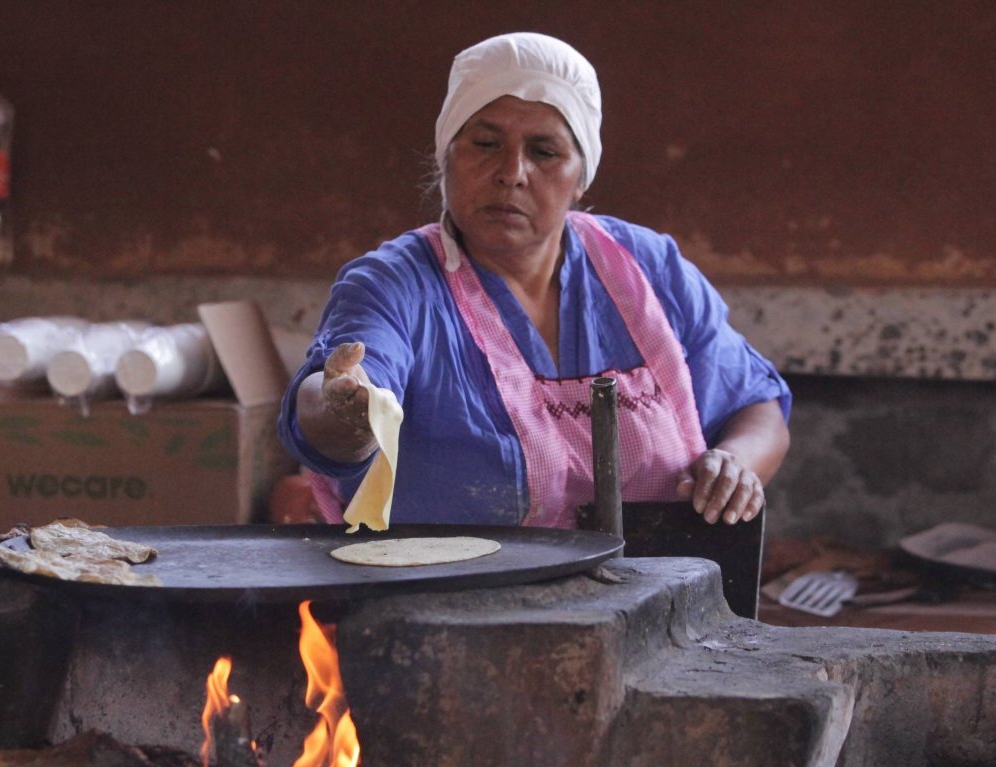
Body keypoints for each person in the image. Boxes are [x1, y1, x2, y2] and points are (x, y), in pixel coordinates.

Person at [277, 32, 790, 530]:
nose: (512, 172)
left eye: (544, 151)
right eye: (484, 143)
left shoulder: (646, 268)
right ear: (446, 155)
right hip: (448, 603)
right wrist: (346, 412)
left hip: (650, 597)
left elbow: (755, 406)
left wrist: (735, 464)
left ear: (581, 177)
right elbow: (336, 398)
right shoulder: (393, 285)